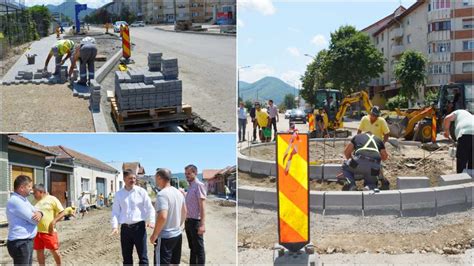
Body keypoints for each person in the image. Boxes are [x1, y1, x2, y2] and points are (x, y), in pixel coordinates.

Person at [111, 169, 155, 265]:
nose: (133, 180)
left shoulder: (141, 192)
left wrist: (151, 221)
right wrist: (115, 226)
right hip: (125, 230)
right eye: (130, 178)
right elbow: (115, 212)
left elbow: (149, 208)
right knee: (126, 258)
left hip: (139, 228)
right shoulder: (119, 194)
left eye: (134, 178)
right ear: (124, 179)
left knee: (143, 257)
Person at [150, 168, 187, 265]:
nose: (155, 180)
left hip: (165, 237)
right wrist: (178, 225)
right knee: (174, 263)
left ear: (159, 177)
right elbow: (185, 211)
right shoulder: (179, 193)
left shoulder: (162, 194)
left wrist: (154, 235)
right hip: (177, 234)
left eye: (155, 177)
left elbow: (162, 216)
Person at [6, 175, 43, 266]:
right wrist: (38, 215)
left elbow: (37, 210)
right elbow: (34, 220)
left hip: (25, 242)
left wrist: (41, 213)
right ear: (22, 188)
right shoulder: (16, 201)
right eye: (29, 186)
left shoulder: (24, 200)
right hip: (20, 243)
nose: (31, 190)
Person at [32, 184, 65, 266]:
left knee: (54, 250)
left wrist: (53, 222)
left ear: (41, 192)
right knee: (39, 251)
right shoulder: (33, 201)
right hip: (36, 232)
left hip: (49, 231)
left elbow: (62, 212)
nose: (33, 195)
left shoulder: (52, 199)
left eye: (35, 193)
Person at [183, 164, 206, 265]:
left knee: (199, 249)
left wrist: (202, 224)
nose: (186, 175)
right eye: (185, 174)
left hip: (196, 222)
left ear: (195, 173)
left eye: (189, 173)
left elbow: (202, 206)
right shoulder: (190, 186)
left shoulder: (199, 185)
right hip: (188, 222)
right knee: (192, 248)